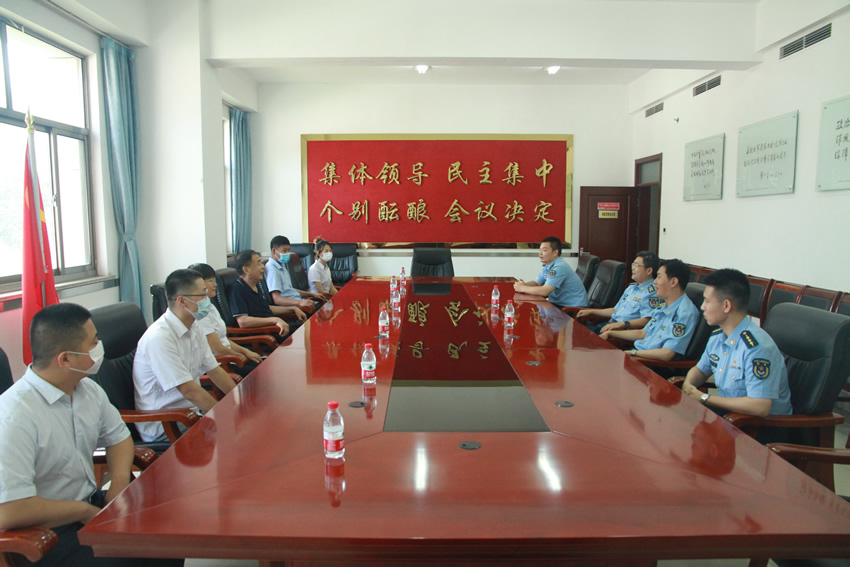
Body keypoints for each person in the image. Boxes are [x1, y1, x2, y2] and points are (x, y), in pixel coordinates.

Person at [0, 303, 181, 566]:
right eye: (94, 341)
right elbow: (9, 510)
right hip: (43, 533)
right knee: (133, 557)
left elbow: (119, 438)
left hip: (90, 505)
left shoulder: (86, 389)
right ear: (65, 359)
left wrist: (118, 486)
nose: (100, 347)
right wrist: (84, 511)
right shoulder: (14, 416)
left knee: (169, 534)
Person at [134, 269, 237, 443]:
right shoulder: (160, 338)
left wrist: (239, 403)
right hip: (167, 424)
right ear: (182, 300)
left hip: (191, 414)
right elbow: (189, 391)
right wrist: (224, 418)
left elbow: (214, 370)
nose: (207, 299)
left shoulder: (194, 326)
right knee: (235, 439)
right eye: (202, 294)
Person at [681, 268, 792, 418]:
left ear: (726, 305)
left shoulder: (757, 348)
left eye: (707, 301)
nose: (702, 307)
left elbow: (760, 407)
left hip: (757, 425)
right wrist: (688, 385)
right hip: (730, 416)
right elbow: (701, 370)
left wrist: (704, 398)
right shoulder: (717, 337)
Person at [600, 258, 699, 362]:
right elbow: (642, 333)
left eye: (659, 277)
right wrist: (610, 333)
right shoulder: (663, 305)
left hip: (651, 363)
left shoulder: (685, 313)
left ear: (673, 282)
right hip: (638, 354)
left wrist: (632, 353)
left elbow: (666, 354)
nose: (654, 281)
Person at [188, 262, 263, 377]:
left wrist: (246, 352)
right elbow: (218, 349)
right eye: (210, 281)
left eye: (214, 280)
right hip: (219, 364)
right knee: (261, 373)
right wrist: (241, 356)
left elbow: (223, 340)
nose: (215, 284)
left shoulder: (209, 306)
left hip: (230, 358)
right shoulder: (199, 313)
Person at [576, 251, 660, 333]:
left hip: (622, 331)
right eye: (633, 265)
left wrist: (622, 325)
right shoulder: (631, 288)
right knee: (577, 331)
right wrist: (591, 311)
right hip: (609, 325)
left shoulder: (652, 292)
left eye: (636, 265)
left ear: (649, 271)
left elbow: (647, 320)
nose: (632, 268)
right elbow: (615, 310)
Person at [230, 249, 306, 331]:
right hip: (264, 332)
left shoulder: (255, 285)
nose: (263, 267)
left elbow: (265, 308)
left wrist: (292, 309)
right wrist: (275, 320)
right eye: (258, 263)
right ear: (246, 269)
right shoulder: (237, 289)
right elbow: (243, 321)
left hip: (274, 327)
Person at [513, 236, 588, 308]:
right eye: (540, 250)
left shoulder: (559, 267)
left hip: (573, 308)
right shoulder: (548, 265)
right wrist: (523, 284)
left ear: (555, 252)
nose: (540, 253)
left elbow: (545, 291)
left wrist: (523, 288)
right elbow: (537, 283)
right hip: (559, 305)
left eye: (544, 250)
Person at [265, 235, 324, 310]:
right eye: (284, 251)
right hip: (292, 308)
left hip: (298, 302)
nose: (287, 253)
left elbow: (290, 290)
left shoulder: (282, 265)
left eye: (288, 250)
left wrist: (312, 294)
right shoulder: (272, 269)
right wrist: (300, 302)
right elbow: (277, 299)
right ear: (274, 251)